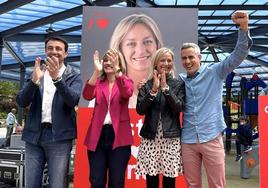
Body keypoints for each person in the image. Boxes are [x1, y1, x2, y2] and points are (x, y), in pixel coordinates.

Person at [179, 11, 252, 188]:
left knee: (217, 185)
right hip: (188, 140)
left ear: (199, 57)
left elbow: (238, 55)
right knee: (192, 184)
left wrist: (243, 28)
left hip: (211, 136)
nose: (188, 61)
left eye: (191, 57)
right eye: (184, 58)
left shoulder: (215, 71)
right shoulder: (179, 80)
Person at [16, 36, 82, 188]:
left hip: (59, 138)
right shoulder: (36, 72)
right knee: (31, 183)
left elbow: (73, 100)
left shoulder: (74, 75)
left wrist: (57, 79)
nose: (54, 51)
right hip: (34, 136)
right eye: (50, 48)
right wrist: (33, 82)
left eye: (58, 49)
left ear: (66, 53)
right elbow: (21, 101)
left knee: (57, 184)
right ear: (45, 51)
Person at [83, 48, 134, 188]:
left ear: (119, 63)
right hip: (98, 136)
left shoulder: (126, 81)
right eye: (105, 60)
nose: (107, 63)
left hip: (119, 137)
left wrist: (118, 72)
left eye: (111, 60)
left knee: (116, 182)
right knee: (96, 181)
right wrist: (96, 72)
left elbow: (127, 92)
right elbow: (87, 95)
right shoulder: (98, 82)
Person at [136, 47, 185, 188]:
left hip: (171, 138)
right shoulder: (147, 84)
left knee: (169, 181)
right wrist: (153, 90)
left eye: (169, 60)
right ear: (156, 63)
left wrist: (166, 89)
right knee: (151, 180)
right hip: (150, 138)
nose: (166, 63)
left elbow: (178, 108)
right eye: (162, 60)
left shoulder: (178, 84)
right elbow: (140, 110)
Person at [110, 13, 163, 108]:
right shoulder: (106, 92)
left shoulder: (172, 88)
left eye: (147, 41)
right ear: (120, 49)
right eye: (131, 43)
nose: (141, 51)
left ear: (157, 45)